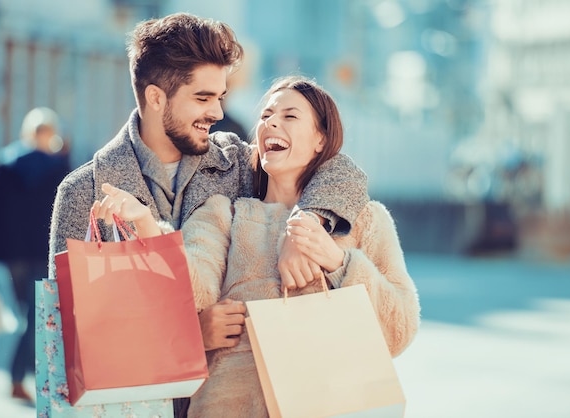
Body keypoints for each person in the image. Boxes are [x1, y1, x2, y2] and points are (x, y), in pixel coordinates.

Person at [48, 13, 368, 415]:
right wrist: (187, 337)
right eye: (203, 98)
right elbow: (69, 337)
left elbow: (340, 169)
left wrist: (306, 224)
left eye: (221, 96)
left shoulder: (235, 162)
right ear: (155, 97)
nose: (217, 112)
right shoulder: (83, 191)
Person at [94, 75, 421, 418]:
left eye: (289, 116)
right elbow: (193, 295)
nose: (271, 123)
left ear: (320, 139)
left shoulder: (365, 220)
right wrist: (147, 227)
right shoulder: (223, 214)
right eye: (265, 116)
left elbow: (399, 330)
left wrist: (339, 262)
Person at [0, 107, 71, 403]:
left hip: (12, 255)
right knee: (37, 314)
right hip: (41, 251)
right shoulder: (58, 167)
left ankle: (20, 378)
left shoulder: (6, 164)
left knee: (28, 313)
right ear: (49, 134)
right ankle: (20, 377)